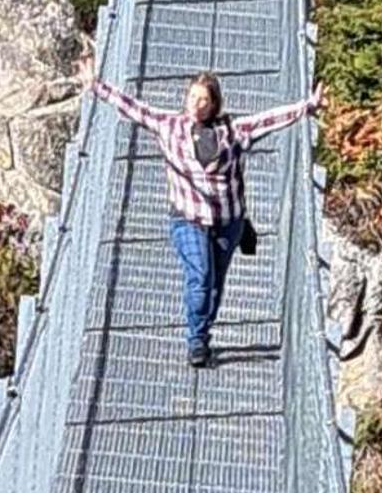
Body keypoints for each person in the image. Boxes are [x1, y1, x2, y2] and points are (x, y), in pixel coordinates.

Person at [76, 53, 323, 367]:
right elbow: (135, 109)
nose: (196, 104)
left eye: (203, 100)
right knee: (202, 275)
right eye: (192, 97)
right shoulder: (170, 127)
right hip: (188, 219)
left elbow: (268, 120)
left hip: (228, 221)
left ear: (214, 104)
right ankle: (195, 340)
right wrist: (97, 86)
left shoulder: (233, 132)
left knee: (216, 285)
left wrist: (307, 107)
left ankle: (203, 334)